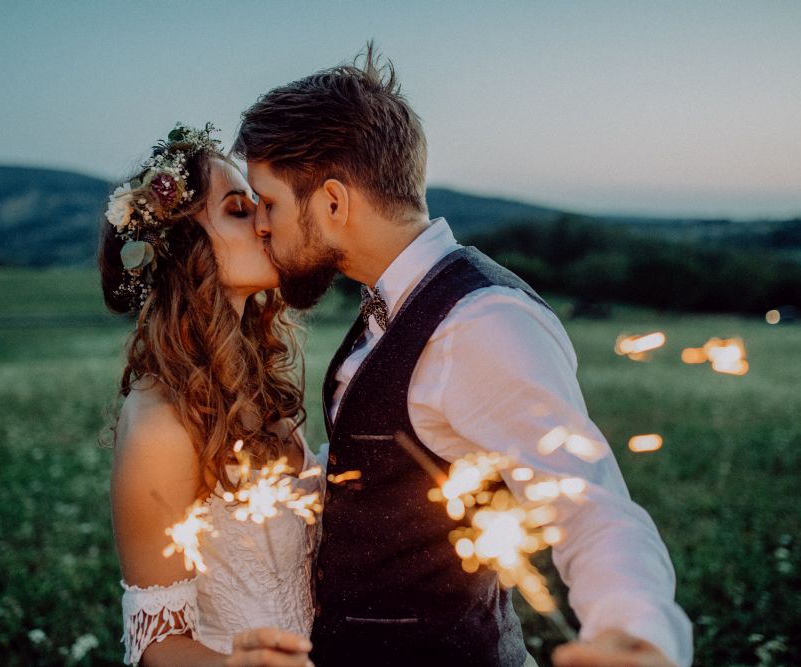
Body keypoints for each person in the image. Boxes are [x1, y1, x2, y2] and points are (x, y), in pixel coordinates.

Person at [232, 45, 694, 667]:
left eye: (270, 202)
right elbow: (398, 462)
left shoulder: (483, 323)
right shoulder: (389, 303)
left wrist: (634, 637)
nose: (261, 224)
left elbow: (586, 502)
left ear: (334, 203)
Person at [99, 124, 320, 667]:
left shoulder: (261, 387)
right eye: (240, 211)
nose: (266, 225)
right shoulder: (161, 425)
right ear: (182, 248)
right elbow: (155, 642)